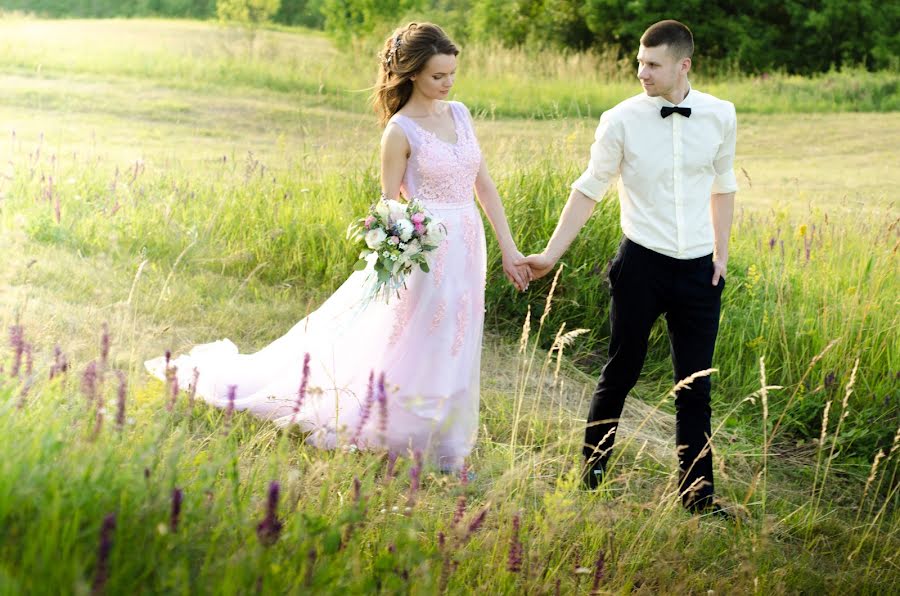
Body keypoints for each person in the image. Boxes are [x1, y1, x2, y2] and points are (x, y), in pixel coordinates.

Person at [146, 22, 531, 472]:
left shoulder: (460, 115)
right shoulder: (401, 131)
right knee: (422, 336)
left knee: (459, 334)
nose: (447, 84)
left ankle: (448, 438)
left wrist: (509, 248)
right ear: (410, 75)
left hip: (470, 240)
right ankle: (400, 428)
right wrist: (404, 248)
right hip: (428, 248)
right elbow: (391, 206)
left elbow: (482, 183)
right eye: (437, 76)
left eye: (451, 74)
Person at [522, 20, 737, 516]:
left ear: (683, 65)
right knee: (620, 372)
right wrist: (550, 255)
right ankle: (592, 478)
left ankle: (698, 499)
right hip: (641, 264)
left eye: (653, 64)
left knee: (696, 386)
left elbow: (724, 185)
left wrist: (721, 254)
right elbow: (589, 188)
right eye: (639, 62)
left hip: (700, 272)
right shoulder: (620, 119)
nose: (642, 72)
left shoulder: (720, 114)